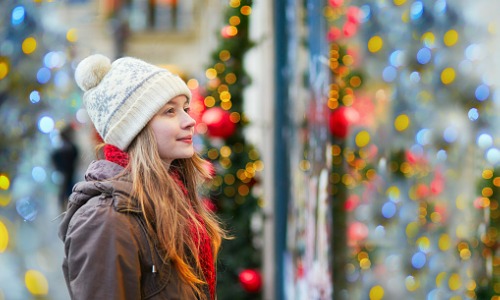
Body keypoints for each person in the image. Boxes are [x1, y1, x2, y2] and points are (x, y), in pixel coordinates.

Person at [58, 54, 226, 300]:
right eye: (170, 111)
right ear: (135, 128)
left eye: (185, 109)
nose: (190, 121)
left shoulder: (171, 198)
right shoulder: (106, 220)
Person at [51, 125, 79, 211]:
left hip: (66, 176)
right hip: (68, 175)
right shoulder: (71, 148)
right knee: (69, 193)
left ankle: (67, 211)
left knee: (65, 194)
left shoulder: (59, 151)